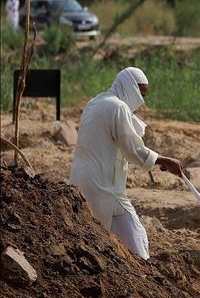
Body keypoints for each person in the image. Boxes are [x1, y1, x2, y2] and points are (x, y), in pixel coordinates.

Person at [70, 67, 184, 259]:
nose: (142, 99)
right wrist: (164, 160)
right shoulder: (118, 107)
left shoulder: (95, 102)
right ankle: (143, 275)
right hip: (103, 185)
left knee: (119, 235)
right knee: (121, 239)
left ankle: (141, 272)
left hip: (84, 180)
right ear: (129, 86)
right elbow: (132, 150)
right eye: (141, 92)